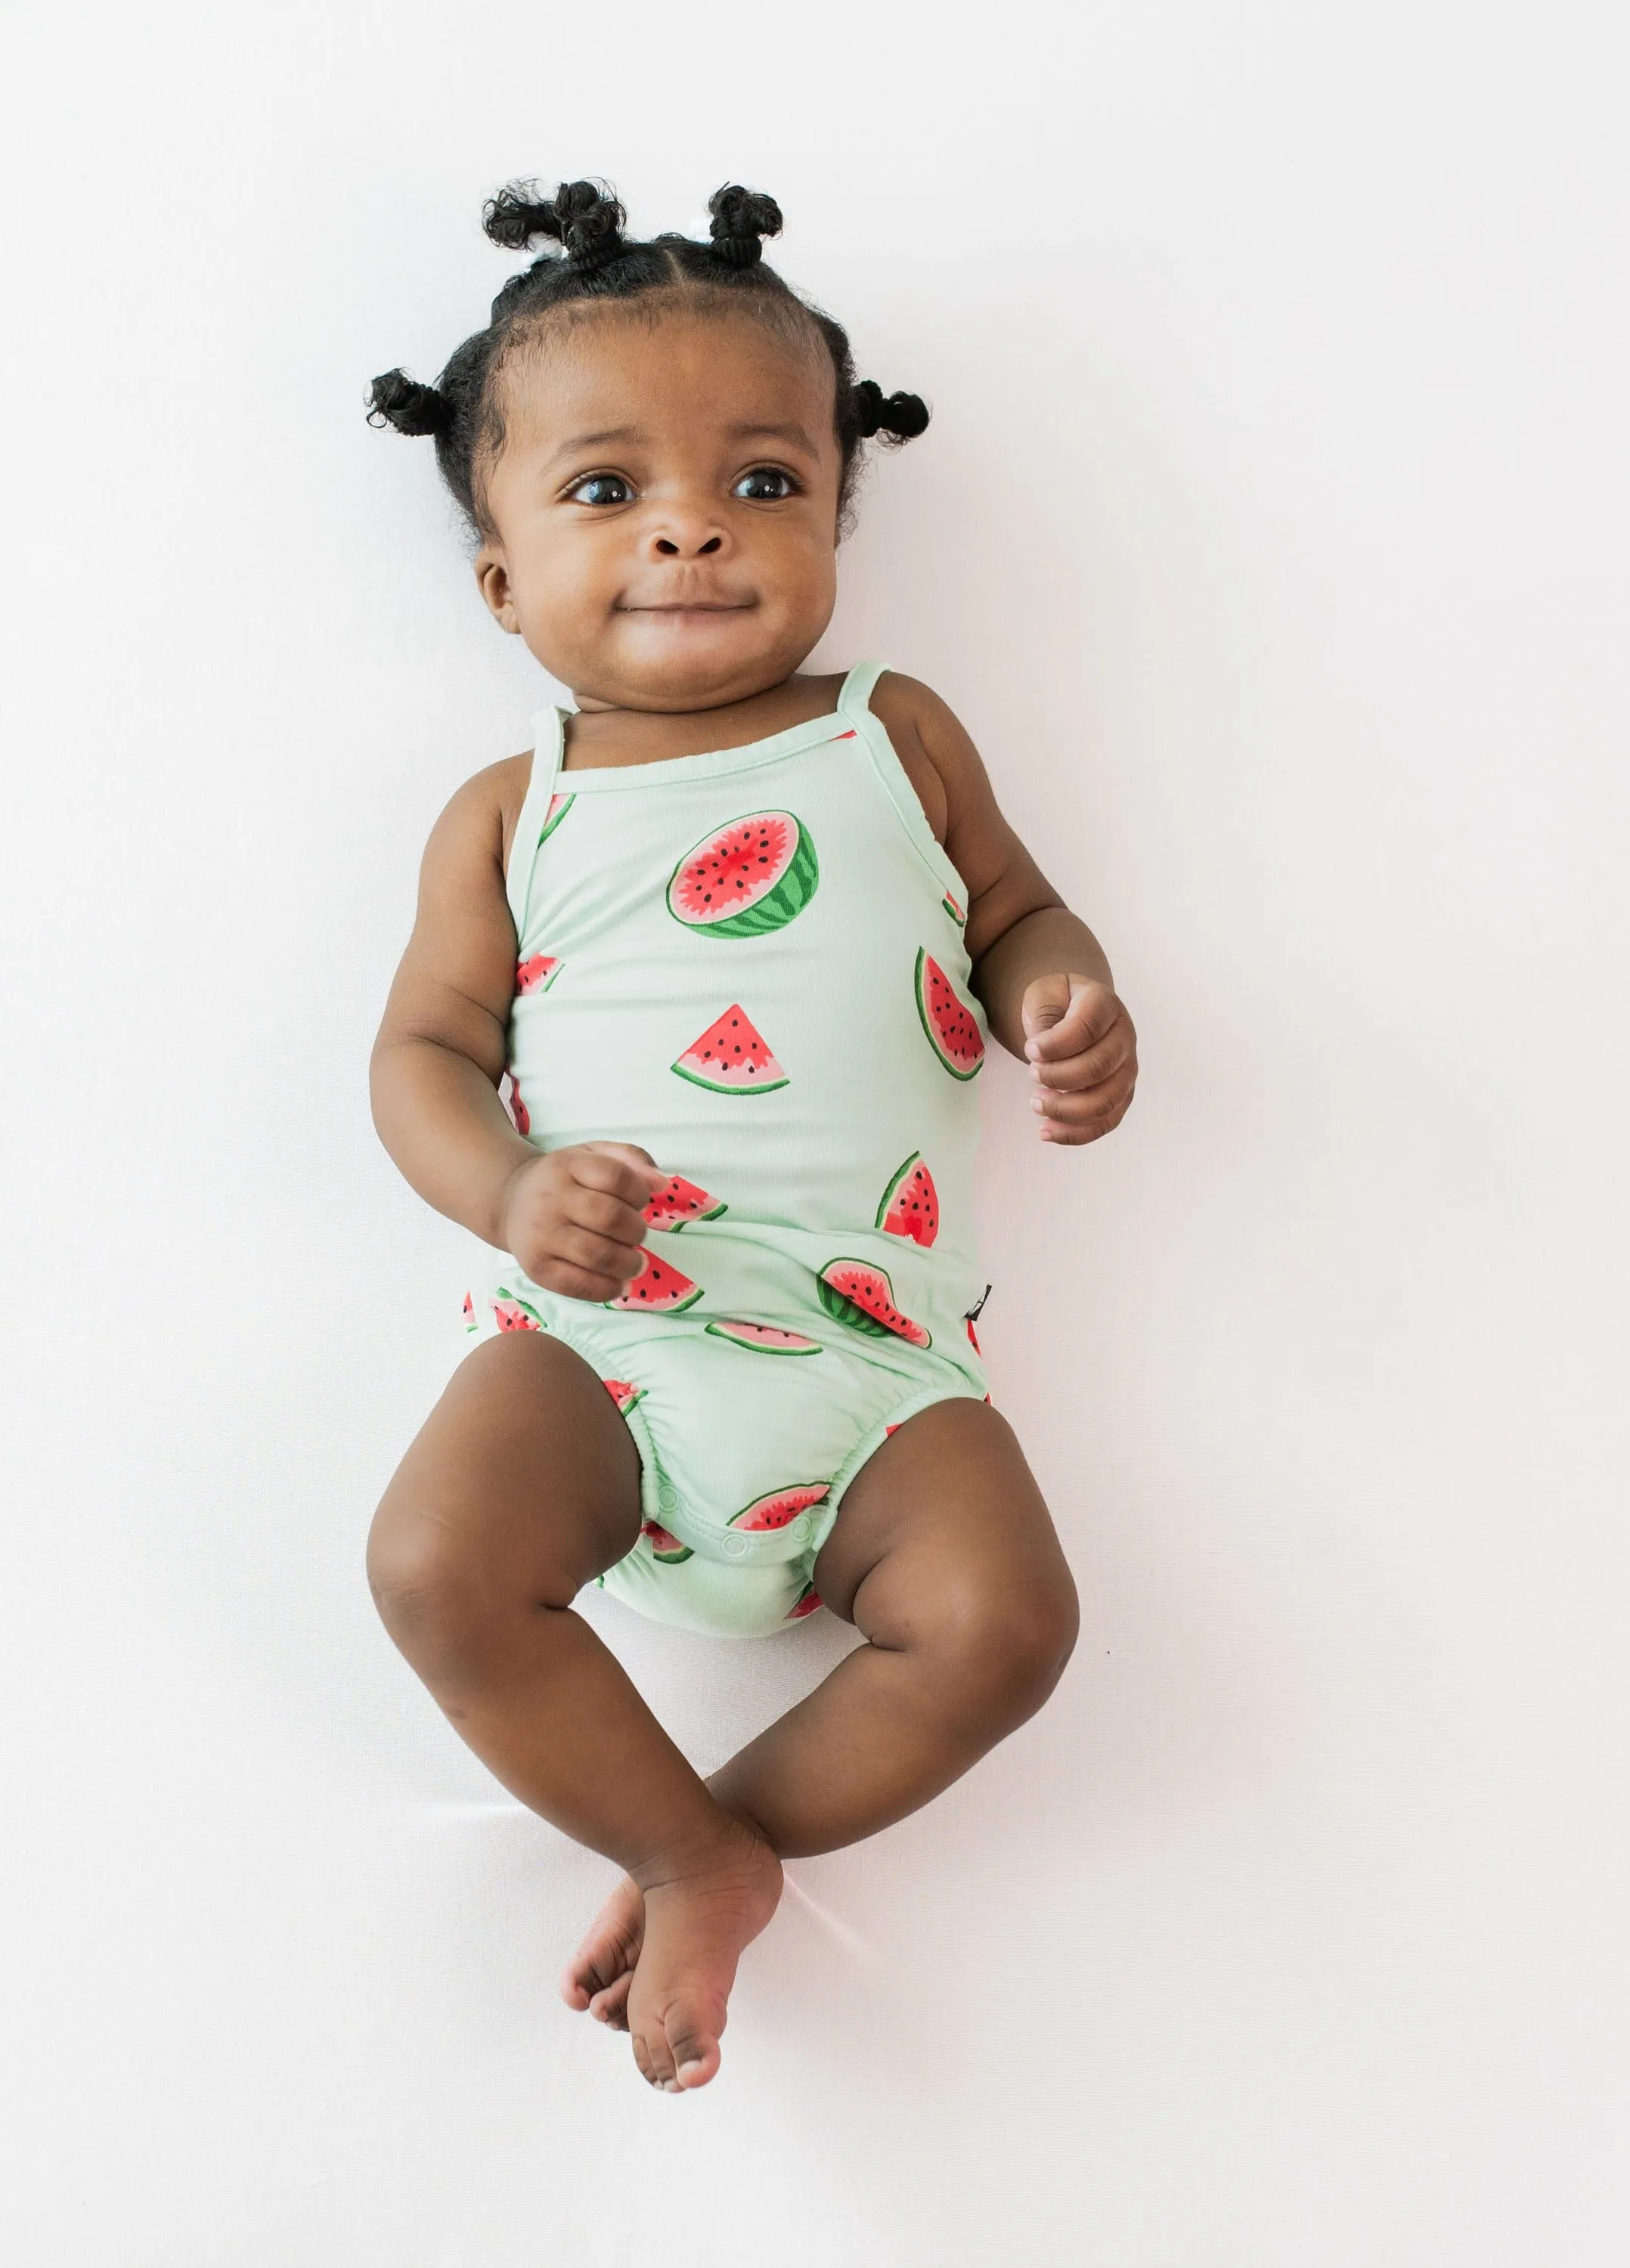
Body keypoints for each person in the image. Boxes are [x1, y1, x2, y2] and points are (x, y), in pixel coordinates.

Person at [363, 179, 1140, 2093]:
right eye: (608, 490)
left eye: (765, 484)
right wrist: (511, 1191)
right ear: (498, 576)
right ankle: (682, 1846)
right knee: (432, 1567)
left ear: (840, 522)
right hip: (602, 1343)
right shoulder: (507, 810)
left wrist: (1066, 997)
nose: (693, 525)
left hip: (876, 1358)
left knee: (1008, 1624)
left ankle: (719, 1839)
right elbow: (421, 1055)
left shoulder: (898, 731)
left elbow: (1021, 909)